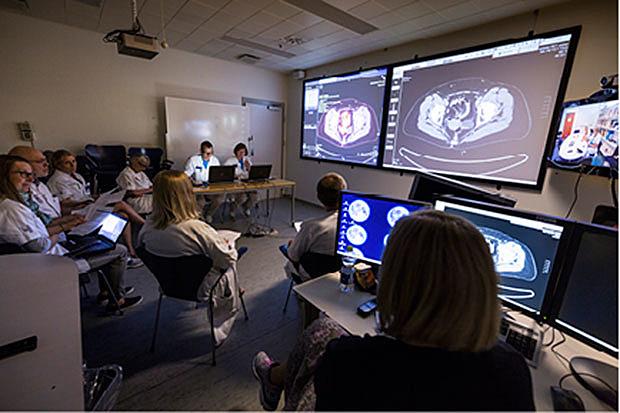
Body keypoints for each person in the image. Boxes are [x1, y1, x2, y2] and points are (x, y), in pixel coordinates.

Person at [252, 210, 535, 411]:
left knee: (322, 332)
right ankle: (273, 377)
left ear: (392, 282)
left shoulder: (349, 361)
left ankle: (273, 378)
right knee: (325, 332)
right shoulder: (510, 370)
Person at [0, 155, 142, 312]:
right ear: (4, 175)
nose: (29, 179)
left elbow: (40, 230)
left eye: (30, 174)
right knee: (119, 250)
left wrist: (67, 224)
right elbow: (39, 246)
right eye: (23, 174)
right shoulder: (11, 208)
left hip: (57, 247)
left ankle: (108, 291)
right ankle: (117, 300)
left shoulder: (15, 203)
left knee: (103, 239)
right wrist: (63, 227)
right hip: (56, 261)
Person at [138, 170, 241, 344]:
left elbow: (144, 251)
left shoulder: (146, 229)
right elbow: (227, 259)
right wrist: (229, 246)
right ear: (186, 194)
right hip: (202, 288)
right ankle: (234, 292)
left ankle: (236, 289)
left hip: (168, 285)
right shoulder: (197, 229)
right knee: (230, 257)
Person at [47, 149, 144, 266]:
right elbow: (63, 203)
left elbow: (83, 194)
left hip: (87, 206)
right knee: (121, 205)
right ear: (58, 165)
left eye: (74, 161)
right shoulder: (56, 180)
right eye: (67, 163)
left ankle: (129, 252)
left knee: (123, 216)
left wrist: (96, 197)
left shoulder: (76, 176)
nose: (73, 165)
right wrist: (84, 201)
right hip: (75, 213)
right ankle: (145, 225)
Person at [284, 172, 347, 282]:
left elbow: (293, 256)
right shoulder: (351, 224)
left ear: (318, 196)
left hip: (312, 274)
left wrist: (291, 245)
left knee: (289, 258)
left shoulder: (311, 227)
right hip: (340, 272)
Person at [8, 146, 84, 236]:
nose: (46, 164)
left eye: (45, 160)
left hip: (61, 234)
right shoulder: (19, 193)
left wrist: (71, 217)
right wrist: (66, 225)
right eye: (40, 162)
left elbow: (48, 218)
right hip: (51, 239)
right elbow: (37, 235)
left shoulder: (41, 185)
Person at [184, 140, 225, 223]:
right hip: (199, 188)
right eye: (207, 153)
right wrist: (192, 181)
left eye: (211, 153)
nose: (209, 156)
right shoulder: (193, 160)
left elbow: (218, 175)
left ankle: (209, 214)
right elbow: (185, 175)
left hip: (211, 187)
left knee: (220, 198)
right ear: (201, 152)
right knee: (201, 202)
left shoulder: (215, 160)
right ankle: (200, 218)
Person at [224, 142, 258, 219]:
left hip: (247, 183)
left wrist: (249, 168)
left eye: (244, 152)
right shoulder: (230, 161)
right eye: (240, 152)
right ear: (236, 152)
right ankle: (232, 210)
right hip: (236, 184)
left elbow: (252, 173)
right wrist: (234, 175)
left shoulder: (247, 160)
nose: (242, 154)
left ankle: (246, 208)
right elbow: (225, 173)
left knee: (254, 196)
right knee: (242, 197)